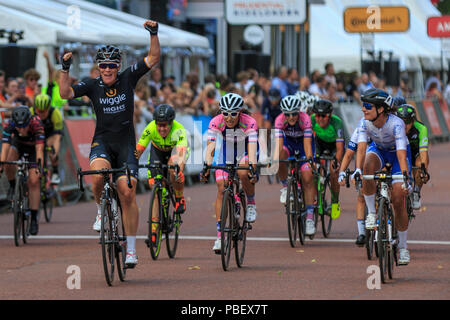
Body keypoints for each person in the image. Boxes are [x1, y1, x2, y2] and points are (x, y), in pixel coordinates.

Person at [58, 20, 161, 267]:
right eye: (103, 65)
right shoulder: (92, 85)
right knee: (97, 177)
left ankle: (132, 250)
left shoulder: (128, 78)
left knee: (127, 192)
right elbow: (64, 94)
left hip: (125, 144)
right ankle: (101, 210)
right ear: (98, 67)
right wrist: (64, 69)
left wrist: (154, 34)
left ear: (118, 66)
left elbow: (154, 58)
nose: (107, 69)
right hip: (102, 141)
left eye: (111, 65)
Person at [353, 88, 412, 265]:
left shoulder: (396, 123)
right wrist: (358, 170)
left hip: (397, 155)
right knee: (367, 167)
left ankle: (402, 247)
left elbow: (402, 153)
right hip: (378, 151)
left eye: (367, 106)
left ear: (381, 109)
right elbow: (362, 148)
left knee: (398, 199)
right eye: (363, 105)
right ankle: (372, 213)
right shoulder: (365, 123)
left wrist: (405, 177)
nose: (363, 109)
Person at [201, 93, 258, 253]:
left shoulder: (250, 122)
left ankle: (251, 202)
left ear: (240, 112)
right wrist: (207, 166)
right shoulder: (215, 122)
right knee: (221, 187)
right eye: (225, 113)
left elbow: (252, 149)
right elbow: (211, 147)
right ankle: (220, 236)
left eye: (233, 113)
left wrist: (252, 166)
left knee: (242, 171)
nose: (229, 117)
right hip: (227, 152)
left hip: (246, 151)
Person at [136, 104, 189, 244]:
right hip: (157, 152)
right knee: (155, 188)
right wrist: (131, 162)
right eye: (159, 125)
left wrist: (179, 170)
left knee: (173, 167)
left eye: (165, 125)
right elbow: (139, 149)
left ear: (171, 123)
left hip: (174, 152)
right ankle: (154, 231)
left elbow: (181, 154)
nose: (162, 128)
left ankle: (179, 198)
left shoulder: (179, 130)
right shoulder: (150, 128)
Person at [274, 95, 316, 236]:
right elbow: (279, 146)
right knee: (279, 158)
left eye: (294, 114)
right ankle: (286, 187)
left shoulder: (305, 119)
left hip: (304, 145)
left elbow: (307, 144)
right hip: (288, 144)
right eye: (287, 114)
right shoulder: (279, 120)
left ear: (299, 112)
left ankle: (310, 217)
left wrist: (309, 160)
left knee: (307, 177)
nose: (291, 117)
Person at [0, 106, 45, 235]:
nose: (21, 129)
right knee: (8, 160)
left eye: (24, 126)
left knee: (34, 181)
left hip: (33, 149)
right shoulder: (10, 124)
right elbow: (4, 148)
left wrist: (38, 167)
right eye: (18, 127)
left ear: (29, 121)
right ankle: (13, 185)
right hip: (18, 145)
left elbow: (39, 150)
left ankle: (34, 218)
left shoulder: (36, 123)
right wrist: (2, 166)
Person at [310, 99, 345, 219]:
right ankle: (316, 198)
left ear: (329, 115)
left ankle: (335, 201)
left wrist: (336, 162)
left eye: (323, 116)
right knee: (313, 169)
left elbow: (340, 148)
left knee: (334, 171)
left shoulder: (337, 122)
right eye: (318, 115)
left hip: (334, 146)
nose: (320, 119)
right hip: (319, 144)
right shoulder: (312, 119)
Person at [338, 123, 368, 246]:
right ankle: (361, 233)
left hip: (382, 162)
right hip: (363, 165)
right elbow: (350, 153)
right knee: (361, 197)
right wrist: (341, 172)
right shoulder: (361, 129)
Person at [396, 104, 430, 209]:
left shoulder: (421, 128)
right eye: (401, 121)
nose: (404, 125)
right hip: (401, 152)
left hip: (415, 153)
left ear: (413, 121)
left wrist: (424, 170)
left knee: (420, 164)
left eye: (407, 122)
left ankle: (416, 192)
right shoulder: (395, 127)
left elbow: (423, 152)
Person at [30, 93, 63, 184]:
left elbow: (57, 135)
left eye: (44, 111)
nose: (41, 113)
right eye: (39, 111)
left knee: (51, 148)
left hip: (50, 134)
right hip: (36, 134)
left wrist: (54, 152)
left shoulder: (55, 113)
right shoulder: (31, 111)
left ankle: (55, 171)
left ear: (48, 108)